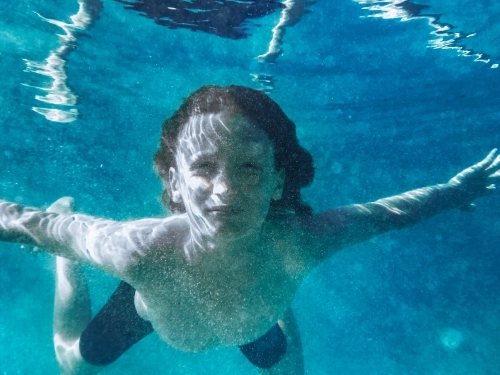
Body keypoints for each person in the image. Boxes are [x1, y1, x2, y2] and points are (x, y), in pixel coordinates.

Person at [0, 85, 499, 375]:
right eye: (204, 168)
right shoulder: (142, 253)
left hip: (251, 314)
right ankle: (70, 266)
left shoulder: (304, 239)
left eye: (249, 169)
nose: (226, 192)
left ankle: (280, 304)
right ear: (174, 181)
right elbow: (29, 223)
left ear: (278, 179)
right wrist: (62, 243)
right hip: (155, 312)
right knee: (73, 364)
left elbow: (392, 212)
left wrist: (461, 188)